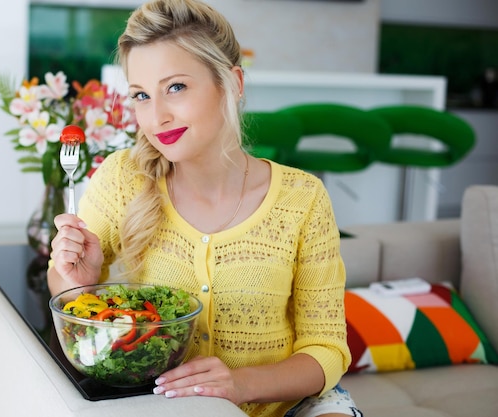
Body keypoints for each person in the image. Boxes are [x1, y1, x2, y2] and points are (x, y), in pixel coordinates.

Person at [48, 1, 362, 416]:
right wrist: (75, 284)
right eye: (141, 95)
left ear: (231, 83)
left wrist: (239, 384)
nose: (156, 116)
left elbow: (326, 349)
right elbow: (75, 304)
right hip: (173, 406)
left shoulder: (303, 199)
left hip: (288, 405)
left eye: (175, 87)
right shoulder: (123, 177)